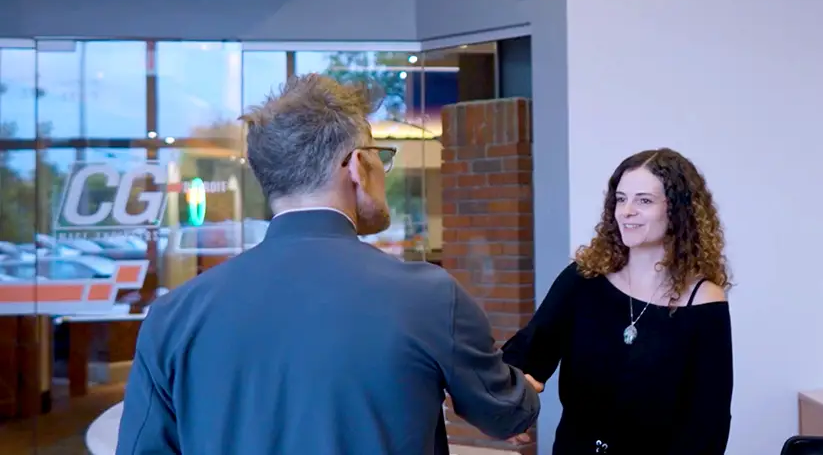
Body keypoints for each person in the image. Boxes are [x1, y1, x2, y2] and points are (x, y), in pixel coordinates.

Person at [116, 74, 540, 455]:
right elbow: (505, 414)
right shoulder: (427, 296)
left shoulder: (174, 316)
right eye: (380, 155)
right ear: (357, 164)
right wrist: (522, 395)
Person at [502, 148, 735, 454]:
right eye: (621, 199)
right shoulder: (583, 280)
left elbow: (709, 423)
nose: (626, 211)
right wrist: (504, 404)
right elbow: (527, 353)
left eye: (644, 200)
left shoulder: (703, 301)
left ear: (679, 211)